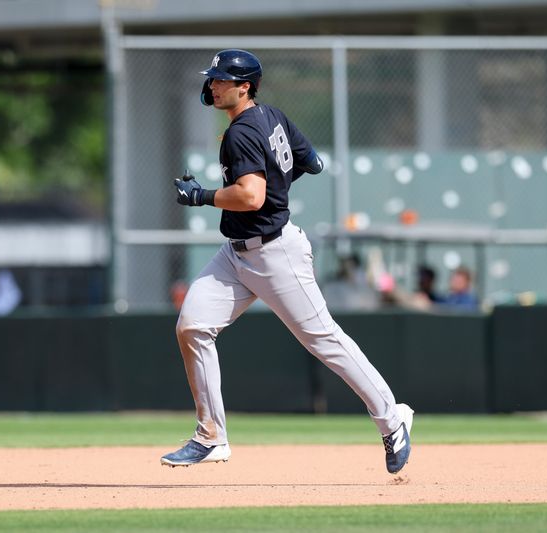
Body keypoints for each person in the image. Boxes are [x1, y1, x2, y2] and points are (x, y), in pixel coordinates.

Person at [162, 49, 414, 474]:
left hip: (276, 254)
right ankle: (211, 435)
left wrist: (201, 195)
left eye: (222, 79)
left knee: (324, 340)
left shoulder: (242, 132)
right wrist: (278, 179)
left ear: (245, 87)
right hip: (236, 254)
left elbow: (252, 196)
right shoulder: (272, 116)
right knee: (192, 326)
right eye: (213, 78)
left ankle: (393, 420)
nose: (213, 85)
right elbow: (311, 161)